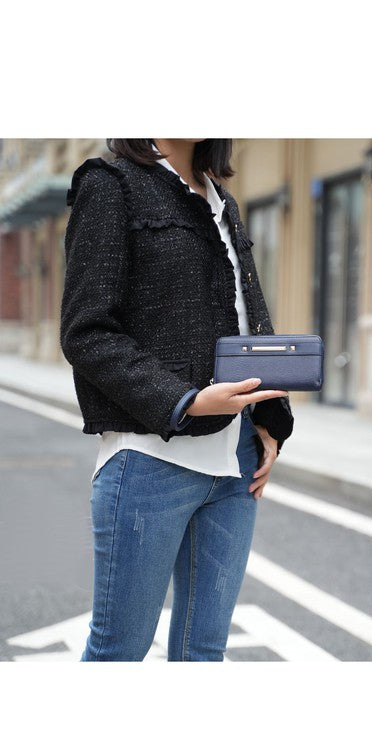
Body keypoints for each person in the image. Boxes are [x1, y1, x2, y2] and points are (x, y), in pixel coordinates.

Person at [60, 138, 294, 661]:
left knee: (203, 652)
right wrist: (185, 400)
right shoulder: (110, 184)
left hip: (237, 466)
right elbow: (86, 332)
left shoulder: (221, 198)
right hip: (151, 461)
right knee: (119, 651)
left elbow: (245, 313)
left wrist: (270, 418)